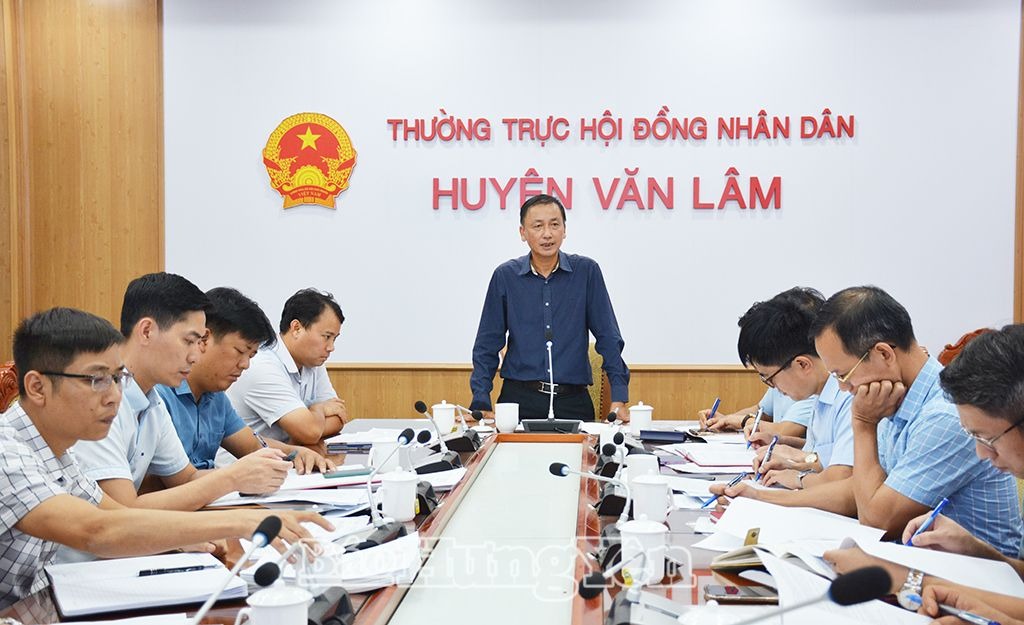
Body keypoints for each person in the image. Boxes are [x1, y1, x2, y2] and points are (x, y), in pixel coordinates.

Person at [0, 307, 328, 609]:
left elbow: (119, 515)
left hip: (43, 604)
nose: (114, 396)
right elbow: (97, 530)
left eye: (117, 378)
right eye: (97, 379)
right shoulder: (7, 453)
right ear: (38, 388)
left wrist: (188, 534)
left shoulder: (61, 453)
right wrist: (243, 523)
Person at [712, 286, 1021, 557]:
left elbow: (875, 518)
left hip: (979, 580)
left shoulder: (942, 415)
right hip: (925, 563)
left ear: (884, 354)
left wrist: (863, 423)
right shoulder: (894, 397)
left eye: (842, 374)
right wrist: (760, 498)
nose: (843, 388)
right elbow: (856, 491)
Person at [825, 324, 1024, 623]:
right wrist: (975, 549)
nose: (982, 453)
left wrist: (909, 579)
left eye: (986, 438)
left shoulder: (937, 416)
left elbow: (877, 519)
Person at [73, 273, 292, 511]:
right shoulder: (101, 398)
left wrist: (245, 475)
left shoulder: (152, 402)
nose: (195, 356)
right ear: (146, 331)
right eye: (189, 341)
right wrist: (232, 479)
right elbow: (123, 510)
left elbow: (187, 478)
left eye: (199, 343)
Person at [469, 194, 629, 422]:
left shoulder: (586, 272)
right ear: (523, 233)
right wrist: (480, 400)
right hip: (518, 399)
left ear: (564, 230)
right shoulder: (505, 276)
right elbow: (487, 344)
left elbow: (609, 338)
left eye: (554, 225)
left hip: (573, 401)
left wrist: (619, 397)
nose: (547, 234)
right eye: (538, 226)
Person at [156, 287, 333, 475]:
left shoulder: (216, 398)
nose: (245, 365)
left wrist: (297, 453)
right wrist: (235, 476)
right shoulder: (161, 394)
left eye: (251, 355)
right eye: (240, 351)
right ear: (204, 339)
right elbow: (172, 482)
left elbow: (253, 446)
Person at [720, 287, 854, 490]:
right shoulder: (819, 392)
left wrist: (794, 476)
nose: (774, 387)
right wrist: (784, 445)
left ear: (802, 365)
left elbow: (842, 477)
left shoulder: (848, 395)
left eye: (769, 378)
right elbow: (821, 455)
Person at [227, 288, 348, 451]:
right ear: (296, 328)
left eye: (334, 339)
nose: (331, 347)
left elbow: (339, 417)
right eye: (326, 337)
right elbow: (310, 432)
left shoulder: (313, 362)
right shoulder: (261, 365)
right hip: (245, 463)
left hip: (287, 456)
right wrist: (319, 409)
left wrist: (306, 429)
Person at [696, 388, 812, 439]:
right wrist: (725, 420)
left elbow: (783, 431)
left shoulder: (810, 391)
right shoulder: (778, 381)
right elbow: (761, 411)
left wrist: (743, 420)